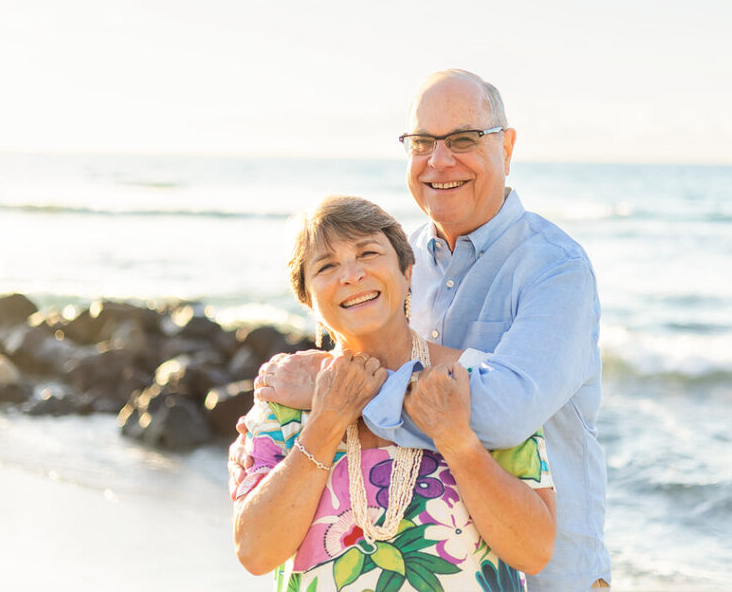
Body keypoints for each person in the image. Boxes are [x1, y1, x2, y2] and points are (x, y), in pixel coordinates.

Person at [232, 69, 611, 590]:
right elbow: (254, 544)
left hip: (550, 576)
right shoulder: (399, 258)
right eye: (422, 143)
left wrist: (338, 392)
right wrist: (310, 419)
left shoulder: (554, 269)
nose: (440, 160)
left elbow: (502, 414)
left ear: (507, 145)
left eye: (463, 139)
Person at [233, 195, 556, 591]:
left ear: (407, 271)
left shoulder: (476, 381)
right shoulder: (285, 394)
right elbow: (255, 552)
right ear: (307, 298)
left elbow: (535, 550)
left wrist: (457, 440)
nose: (351, 275)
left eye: (368, 253)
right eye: (327, 265)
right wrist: (326, 421)